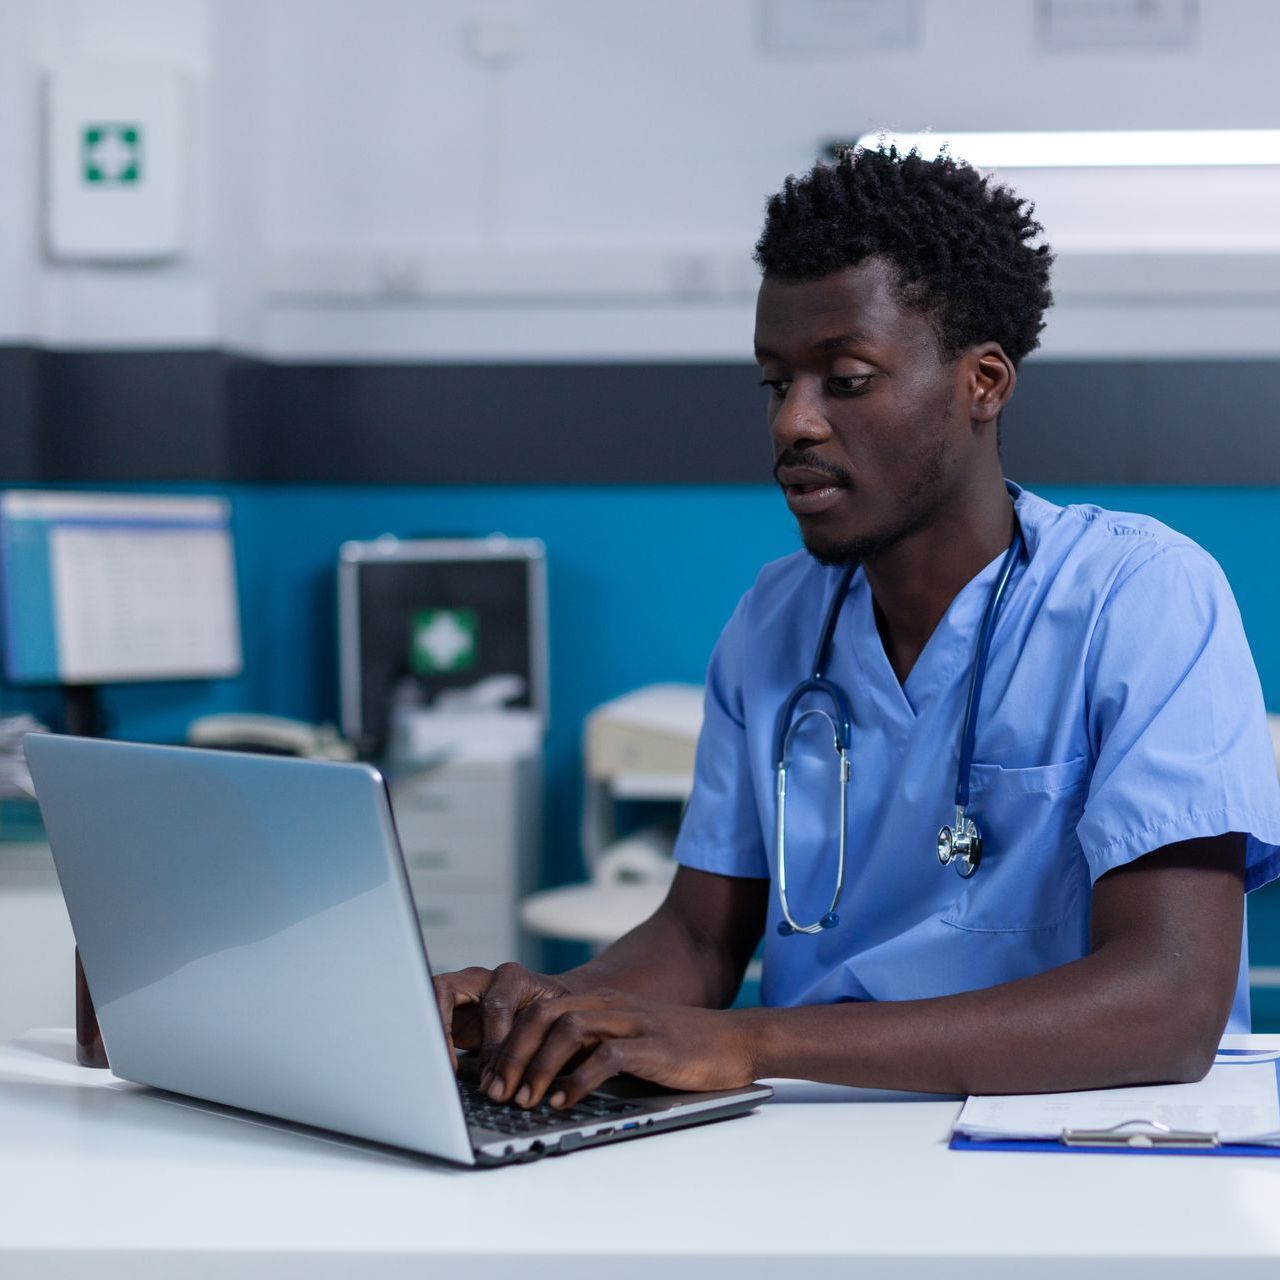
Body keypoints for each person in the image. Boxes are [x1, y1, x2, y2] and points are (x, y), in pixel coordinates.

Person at [435, 144, 1280, 1109]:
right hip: (826, 1141)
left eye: (845, 378)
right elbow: (701, 941)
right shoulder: (775, 621)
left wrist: (749, 1041)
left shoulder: (1140, 598)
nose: (792, 422)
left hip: (1081, 1140)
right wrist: (536, 1012)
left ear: (985, 382)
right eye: (773, 382)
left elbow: (1168, 1005)